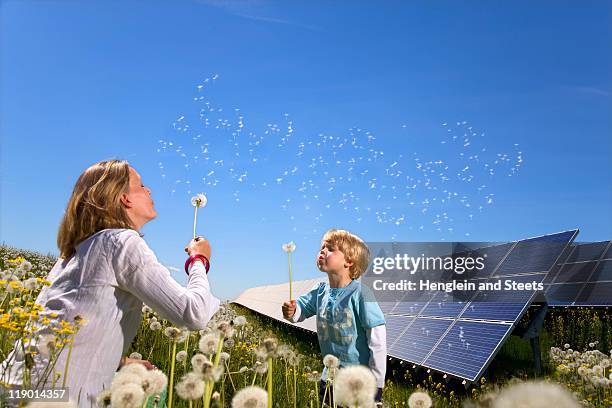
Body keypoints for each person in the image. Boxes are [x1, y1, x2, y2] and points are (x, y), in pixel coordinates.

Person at [0, 159, 220, 407]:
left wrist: (121, 363)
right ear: (124, 199)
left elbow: (68, 326)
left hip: (15, 387)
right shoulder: (122, 242)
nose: (149, 191)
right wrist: (199, 259)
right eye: (141, 185)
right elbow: (193, 313)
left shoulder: (74, 252)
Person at [282, 229, 387, 405]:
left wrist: (376, 382)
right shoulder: (320, 291)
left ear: (349, 261)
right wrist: (292, 311)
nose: (322, 251)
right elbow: (301, 308)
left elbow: (377, 340)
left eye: (330, 248)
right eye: (322, 247)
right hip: (328, 378)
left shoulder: (361, 294)